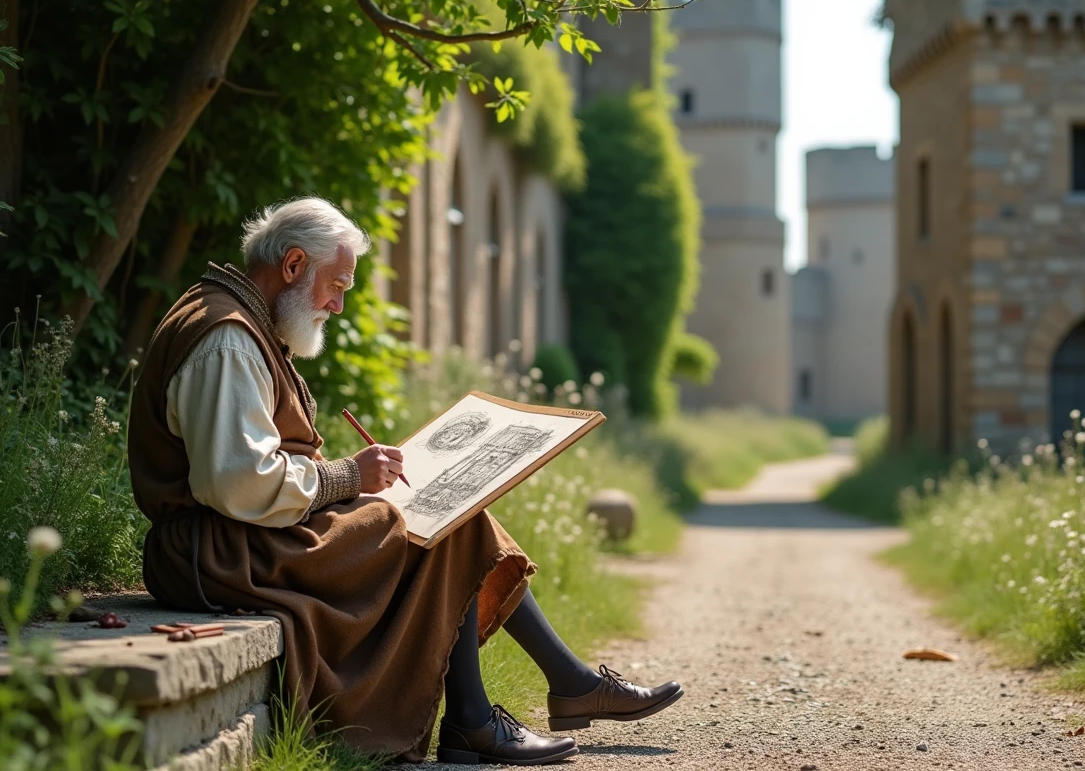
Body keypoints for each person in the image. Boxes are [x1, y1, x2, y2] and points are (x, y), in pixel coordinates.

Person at [127, 196, 683, 765]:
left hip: (243, 536)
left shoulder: (239, 322)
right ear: (293, 265)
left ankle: (522, 703)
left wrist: (346, 482)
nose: (338, 305)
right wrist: (347, 477)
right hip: (216, 551)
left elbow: (250, 471)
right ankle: (504, 711)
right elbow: (238, 483)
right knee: (431, 522)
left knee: (448, 512)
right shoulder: (227, 339)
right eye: (336, 285)